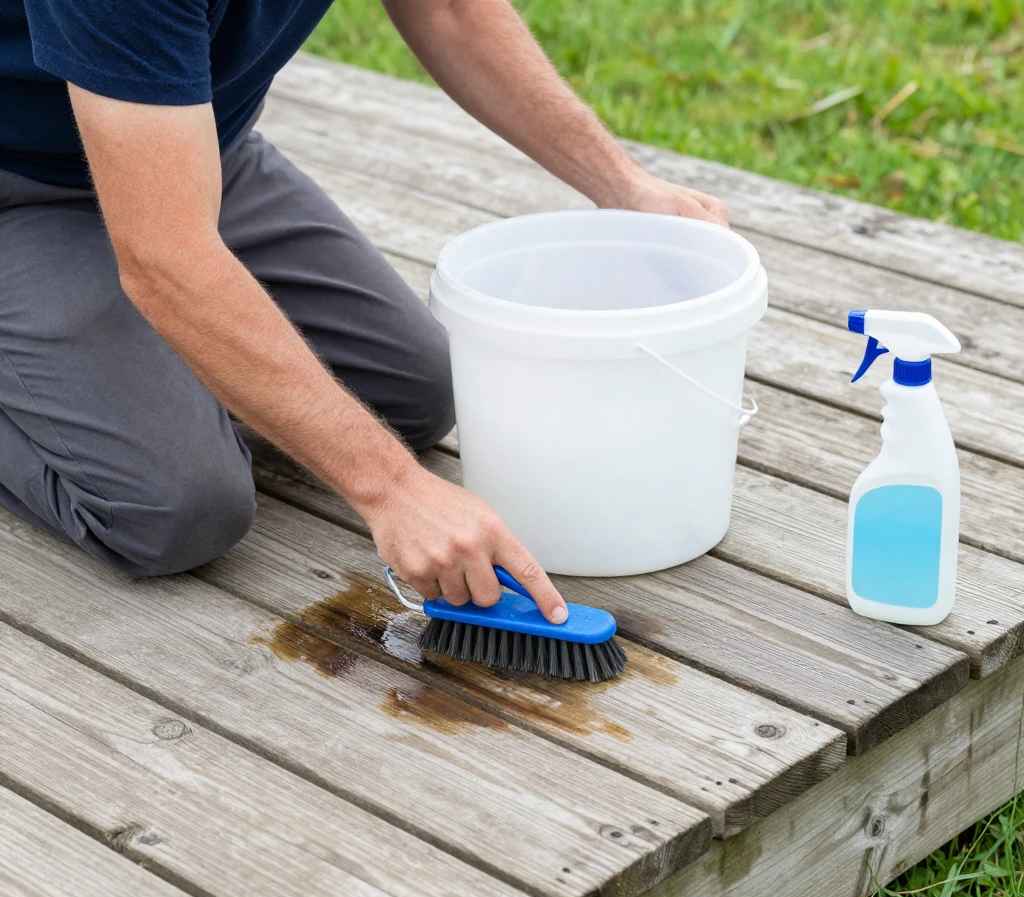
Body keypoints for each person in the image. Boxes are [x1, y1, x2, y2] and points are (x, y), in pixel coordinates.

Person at [0, 0, 728, 621]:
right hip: (21, 185)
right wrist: (392, 490)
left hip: (188, 148)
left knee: (416, 392)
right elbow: (165, 260)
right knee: (179, 509)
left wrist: (625, 187)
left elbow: (450, 9)